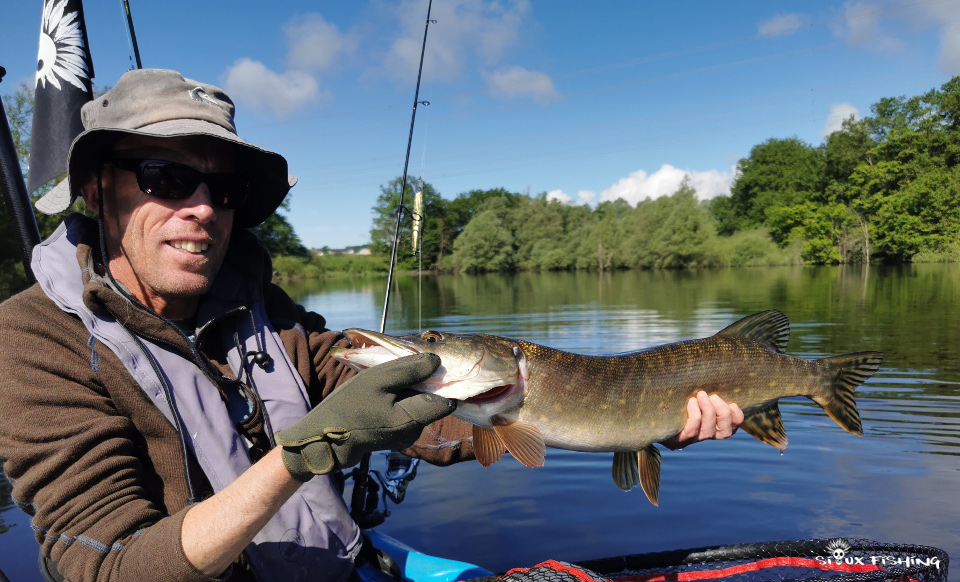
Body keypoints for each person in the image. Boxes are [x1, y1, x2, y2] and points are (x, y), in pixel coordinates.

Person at [0, 69, 743, 582]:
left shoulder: (266, 313)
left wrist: (636, 419)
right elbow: (108, 564)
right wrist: (303, 454)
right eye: (166, 177)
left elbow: (389, 401)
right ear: (99, 189)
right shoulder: (32, 342)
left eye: (222, 188)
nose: (201, 208)